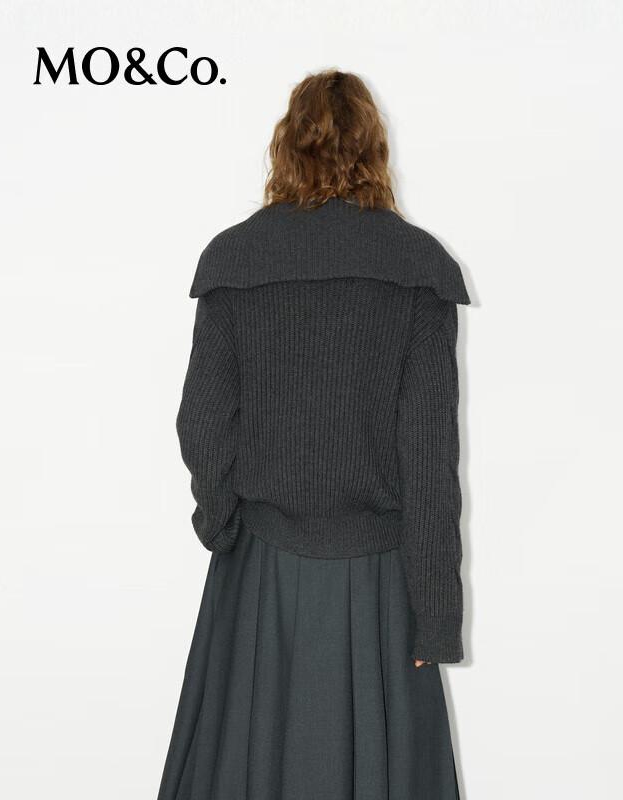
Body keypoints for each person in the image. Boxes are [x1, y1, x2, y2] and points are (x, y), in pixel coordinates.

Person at [157, 69, 469, 800]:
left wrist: (222, 523)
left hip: (259, 573)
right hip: (379, 584)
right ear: (374, 149)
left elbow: (202, 422)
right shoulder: (417, 270)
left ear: (287, 147)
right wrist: (433, 618)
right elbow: (429, 462)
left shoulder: (235, 261)